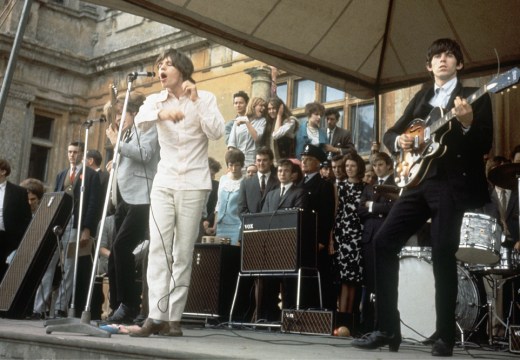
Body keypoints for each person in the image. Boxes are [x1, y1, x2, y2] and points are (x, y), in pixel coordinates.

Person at [352, 38, 493, 356]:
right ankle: (388, 329)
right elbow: (391, 133)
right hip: (416, 183)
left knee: (443, 252)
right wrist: (398, 140)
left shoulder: (475, 96)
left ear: (459, 63)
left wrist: (468, 123)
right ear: (429, 66)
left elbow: (485, 142)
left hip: (450, 184)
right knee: (383, 242)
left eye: (449, 55)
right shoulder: (420, 98)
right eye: (437, 56)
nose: (443, 60)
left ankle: (445, 336)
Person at [129, 48, 224, 337]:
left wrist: (196, 101)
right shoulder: (153, 100)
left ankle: (174, 319)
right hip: (165, 181)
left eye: (167, 65)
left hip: (194, 183)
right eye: (159, 65)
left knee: (182, 252)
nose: (161, 69)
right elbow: (139, 120)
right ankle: (155, 316)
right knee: (158, 247)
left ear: (181, 70)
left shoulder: (205, 98)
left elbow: (217, 131)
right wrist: (162, 111)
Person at [104, 91, 159, 324]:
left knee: (122, 246)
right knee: (115, 255)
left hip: (141, 198)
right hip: (124, 198)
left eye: (121, 114)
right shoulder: (128, 133)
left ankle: (130, 305)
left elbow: (146, 155)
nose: (118, 119)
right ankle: (117, 306)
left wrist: (117, 145)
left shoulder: (148, 128)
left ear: (134, 112)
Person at [33, 141, 101, 318]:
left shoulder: (91, 175)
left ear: (82, 155)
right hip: (58, 226)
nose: (72, 155)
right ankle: (39, 308)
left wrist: (87, 229)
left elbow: (94, 204)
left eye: (76, 152)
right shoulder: (61, 174)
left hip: (76, 224)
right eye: (69, 151)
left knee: (70, 267)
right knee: (48, 264)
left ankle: (61, 308)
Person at [238, 146, 280, 321]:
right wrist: (256, 225)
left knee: (271, 276)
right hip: (250, 234)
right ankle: (249, 315)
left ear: (271, 161)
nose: (261, 163)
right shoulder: (246, 182)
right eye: (258, 160)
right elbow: (241, 209)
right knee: (250, 276)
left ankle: (268, 314)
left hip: (273, 235)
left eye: (264, 160)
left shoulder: (279, 181)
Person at [357, 152, 397, 333]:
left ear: (388, 165)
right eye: (374, 166)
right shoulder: (369, 187)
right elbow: (360, 211)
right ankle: (367, 326)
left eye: (380, 165)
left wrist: (372, 207)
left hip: (385, 235)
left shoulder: (395, 185)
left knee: (384, 282)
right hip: (368, 238)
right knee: (370, 282)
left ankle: (382, 326)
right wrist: (377, 209)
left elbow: (394, 208)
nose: (377, 169)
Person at [298, 144, 336, 310]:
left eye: (308, 159)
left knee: (319, 276)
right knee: (302, 276)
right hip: (301, 237)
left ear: (318, 163)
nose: (304, 162)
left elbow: (327, 215)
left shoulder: (323, 184)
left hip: (315, 238)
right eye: (303, 159)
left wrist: (322, 239)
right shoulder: (299, 182)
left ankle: (319, 313)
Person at [333, 151, 365, 332]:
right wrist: (335, 238)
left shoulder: (366, 187)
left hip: (359, 237)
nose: (349, 169)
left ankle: (351, 321)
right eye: (347, 166)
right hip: (344, 236)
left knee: (355, 280)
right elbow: (338, 212)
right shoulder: (341, 187)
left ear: (359, 167)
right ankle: (341, 320)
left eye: (352, 165)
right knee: (344, 280)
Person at [0, 158, 32, 280]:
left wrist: (21, 242)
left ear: (3, 171)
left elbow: (26, 218)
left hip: (7, 239)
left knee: (4, 275)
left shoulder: (18, 192)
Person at [212, 149, 245, 245]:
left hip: (236, 224)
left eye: (237, 165)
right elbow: (218, 204)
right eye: (231, 165)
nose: (234, 168)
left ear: (242, 165)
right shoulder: (223, 179)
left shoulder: (245, 181)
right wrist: (215, 225)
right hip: (221, 224)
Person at [228, 97, 267, 168]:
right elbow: (231, 144)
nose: (263, 108)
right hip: (237, 162)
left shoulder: (262, 121)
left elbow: (256, 138)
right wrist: (230, 163)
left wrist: (247, 122)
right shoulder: (238, 120)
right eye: (261, 105)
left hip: (252, 162)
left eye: (264, 106)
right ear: (253, 106)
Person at [269, 97, 298, 162]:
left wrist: (279, 115)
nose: (271, 111)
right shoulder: (273, 123)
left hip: (288, 162)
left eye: (273, 108)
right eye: (269, 109)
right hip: (276, 162)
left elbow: (276, 135)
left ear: (280, 108)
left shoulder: (290, 121)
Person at [201, 157, 222, 237]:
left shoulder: (217, 186)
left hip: (210, 224)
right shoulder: (195, 186)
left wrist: (208, 221)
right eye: (211, 174)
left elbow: (216, 206)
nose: (213, 177)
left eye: (214, 175)